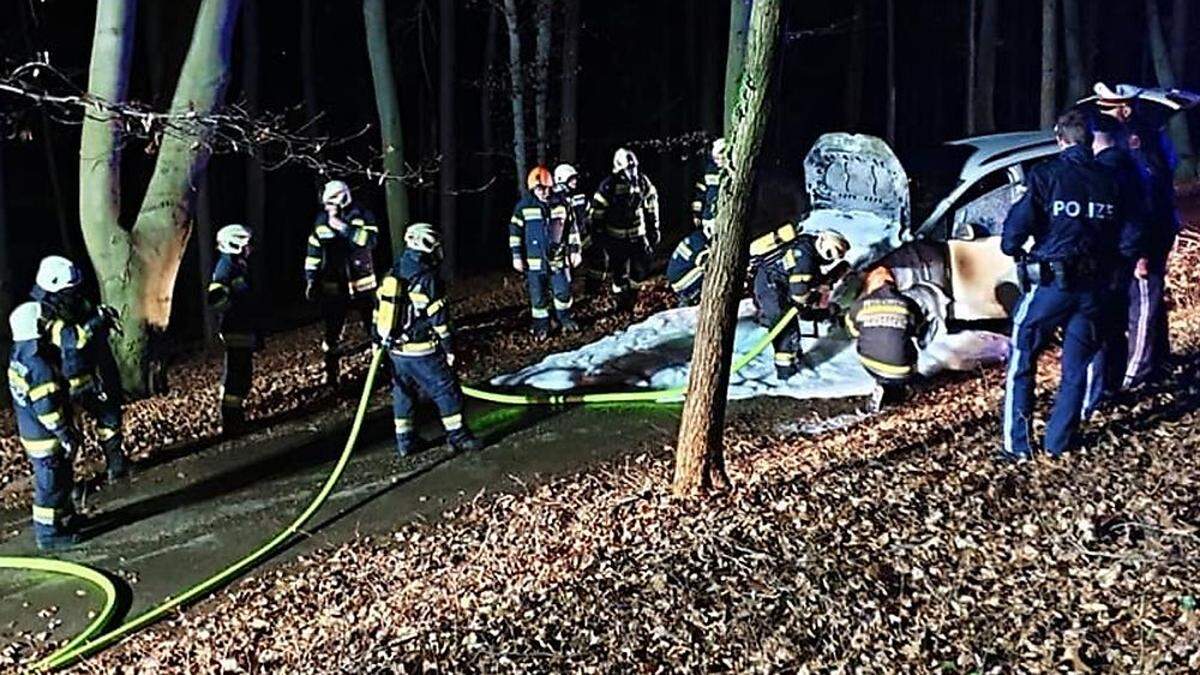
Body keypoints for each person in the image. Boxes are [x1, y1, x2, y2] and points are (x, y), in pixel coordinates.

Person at [999, 110, 1134, 460]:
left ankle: (1018, 446)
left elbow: (1014, 231)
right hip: (1095, 289)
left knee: (1022, 359)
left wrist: (1015, 249)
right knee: (1075, 368)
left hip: (1050, 287)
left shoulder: (1046, 175)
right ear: (1089, 140)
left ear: (1060, 139)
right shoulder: (1113, 180)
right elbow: (1131, 237)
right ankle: (1058, 443)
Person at [374, 223, 483, 457]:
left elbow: (379, 313)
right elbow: (439, 319)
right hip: (422, 351)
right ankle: (459, 437)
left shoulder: (393, 271)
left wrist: (378, 343)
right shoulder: (427, 277)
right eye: (435, 245)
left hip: (396, 352)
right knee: (446, 390)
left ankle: (406, 442)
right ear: (426, 245)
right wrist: (450, 348)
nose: (438, 250)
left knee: (404, 394)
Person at [31, 256, 128, 481]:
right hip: (61, 384)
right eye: (69, 290)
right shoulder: (41, 314)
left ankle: (116, 465)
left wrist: (101, 315)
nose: (74, 293)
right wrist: (95, 322)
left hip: (88, 376)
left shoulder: (75, 301)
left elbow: (88, 318)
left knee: (110, 417)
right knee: (68, 437)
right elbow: (72, 339)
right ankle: (69, 486)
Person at [1081, 113, 1151, 418]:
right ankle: (1110, 387)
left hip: (1106, 263)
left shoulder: (1104, 172)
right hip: (1121, 262)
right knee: (1116, 327)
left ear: (1095, 140)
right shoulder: (1132, 169)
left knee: (1098, 332)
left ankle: (1094, 397)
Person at [7, 302, 81, 550]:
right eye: (43, 323)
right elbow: (48, 410)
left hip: (32, 433)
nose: (49, 326)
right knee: (51, 485)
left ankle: (62, 520)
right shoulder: (39, 368)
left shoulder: (19, 356)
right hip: (46, 438)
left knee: (59, 479)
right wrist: (66, 435)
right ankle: (48, 534)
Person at [304, 179, 379, 386]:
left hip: (364, 285)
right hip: (334, 288)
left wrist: (343, 227)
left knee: (374, 329)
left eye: (331, 202)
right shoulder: (321, 221)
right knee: (332, 334)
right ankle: (331, 373)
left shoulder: (362, 215)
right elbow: (314, 251)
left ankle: (381, 369)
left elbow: (371, 241)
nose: (328, 207)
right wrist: (310, 279)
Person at [753, 229, 851, 380]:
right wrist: (814, 297)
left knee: (789, 327)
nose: (832, 259)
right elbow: (799, 291)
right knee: (786, 329)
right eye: (831, 254)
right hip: (771, 287)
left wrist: (826, 281)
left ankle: (795, 358)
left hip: (774, 283)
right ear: (823, 242)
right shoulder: (805, 257)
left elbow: (806, 277)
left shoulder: (807, 245)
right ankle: (786, 373)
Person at [510, 166, 581, 339]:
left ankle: (565, 319)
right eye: (540, 188)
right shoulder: (523, 207)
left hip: (558, 260)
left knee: (563, 292)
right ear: (533, 188)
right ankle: (542, 326)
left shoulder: (562, 204)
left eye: (547, 188)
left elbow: (572, 229)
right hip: (534, 262)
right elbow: (515, 232)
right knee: (538, 297)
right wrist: (517, 256)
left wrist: (575, 251)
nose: (545, 192)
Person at [845, 267, 928, 411]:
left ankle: (884, 384)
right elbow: (920, 331)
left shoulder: (857, 306)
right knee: (903, 345)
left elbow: (852, 332)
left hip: (872, 365)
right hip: (904, 368)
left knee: (867, 342)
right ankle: (906, 383)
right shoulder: (908, 303)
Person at [590, 148, 661, 311]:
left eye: (634, 167)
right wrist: (597, 231)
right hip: (616, 236)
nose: (632, 171)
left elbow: (652, 202)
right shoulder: (609, 185)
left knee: (641, 267)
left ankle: (635, 297)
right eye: (629, 168)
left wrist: (654, 227)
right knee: (619, 270)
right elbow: (598, 209)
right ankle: (621, 300)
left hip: (638, 234)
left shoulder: (643, 181)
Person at [208, 224, 258, 433]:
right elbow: (215, 298)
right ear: (236, 244)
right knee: (237, 376)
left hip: (242, 327)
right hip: (235, 329)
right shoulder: (226, 267)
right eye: (248, 244)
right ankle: (231, 421)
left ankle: (235, 417)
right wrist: (233, 309)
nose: (251, 249)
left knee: (241, 374)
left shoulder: (237, 265)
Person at [665, 220, 712, 308]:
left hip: (678, 277)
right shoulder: (700, 241)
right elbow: (705, 262)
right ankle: (690, 296)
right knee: (710, 268)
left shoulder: (696, 236)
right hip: (681, 280)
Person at [691, 137, 725, 231]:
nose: (719, 160)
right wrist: (696, 215)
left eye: (722, 157)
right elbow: (699, 194)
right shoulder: (708, 171)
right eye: (716, 158)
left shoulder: (729, 172)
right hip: (708, 217)